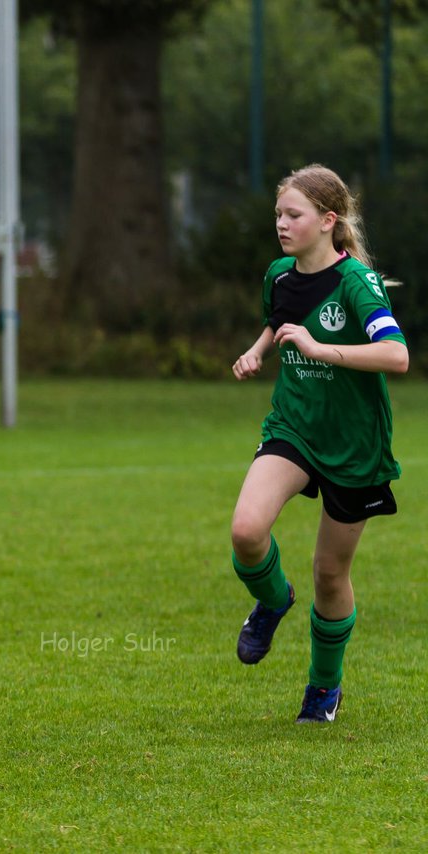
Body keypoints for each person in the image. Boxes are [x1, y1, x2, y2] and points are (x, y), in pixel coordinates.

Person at [229, 164, 408, 723]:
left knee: (330, 574)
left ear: (328, 221)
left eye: (293, 215)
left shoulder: (357, 282)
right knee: (246, 531)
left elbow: (397, 355)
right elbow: (278, 319)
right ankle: (273, 599)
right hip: (295, 427)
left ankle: (323, 688)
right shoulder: (279, 274)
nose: (281, 224)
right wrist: (260, 349)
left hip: (354, 445)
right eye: (278, 214)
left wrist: (321, 349)